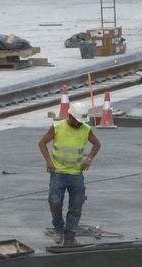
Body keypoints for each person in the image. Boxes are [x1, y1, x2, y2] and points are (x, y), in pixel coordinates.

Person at [38, 101, 101, 247]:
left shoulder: (86, 129)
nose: (79, 124)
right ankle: (58, 228)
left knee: (76, 205)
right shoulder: (57, 127)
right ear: (70, 116)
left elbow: (97, 144)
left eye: (81, 122)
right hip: (58, 173)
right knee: (55, 203)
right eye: (77, 121)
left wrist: (89, 159)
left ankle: (70, 237)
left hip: (76, 174)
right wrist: (48, 161)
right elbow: (42, 142)